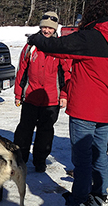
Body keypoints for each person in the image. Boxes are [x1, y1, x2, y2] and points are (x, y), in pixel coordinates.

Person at [28, 0, 108, 206]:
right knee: (100, 157)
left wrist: (36, 38)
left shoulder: (92, 37)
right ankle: (97, 203)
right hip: (107, 109)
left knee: (83, 160)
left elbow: (57, 46)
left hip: (86, 108)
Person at [13, 11, 71, 173]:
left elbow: (67, 74)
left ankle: (40, 160)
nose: (47, 30)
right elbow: (21, 72)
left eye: (50, 28)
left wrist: (64, 96)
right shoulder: (31, 47)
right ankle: (20, 158)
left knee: (45, 132)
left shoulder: (60, 47)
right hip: (30, 97)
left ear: (55, 29)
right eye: (44, 27)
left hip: (51, 100)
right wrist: (18, 94)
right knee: (24, 129)